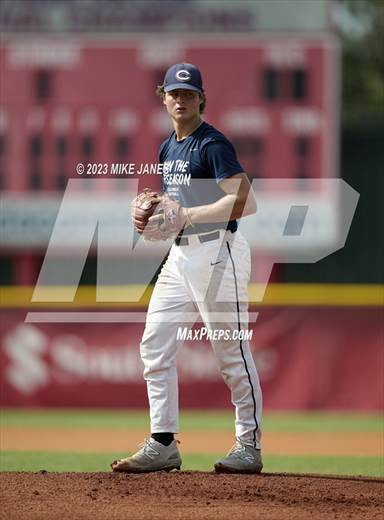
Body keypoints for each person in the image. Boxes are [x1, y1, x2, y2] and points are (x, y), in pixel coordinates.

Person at [111, 63, 263, 474]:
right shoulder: (168, 147)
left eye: (189, 94)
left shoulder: (211, 144)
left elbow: (245, 202)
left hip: (218, 253)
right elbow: (176, 207)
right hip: (180, 256)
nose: (181, 100)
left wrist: (184, 214)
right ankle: (163, 443)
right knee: (154, 345)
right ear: (163, 98)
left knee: (230, 351)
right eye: (174, 94)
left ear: (201, 99)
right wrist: (157, 215)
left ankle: (248, 445)